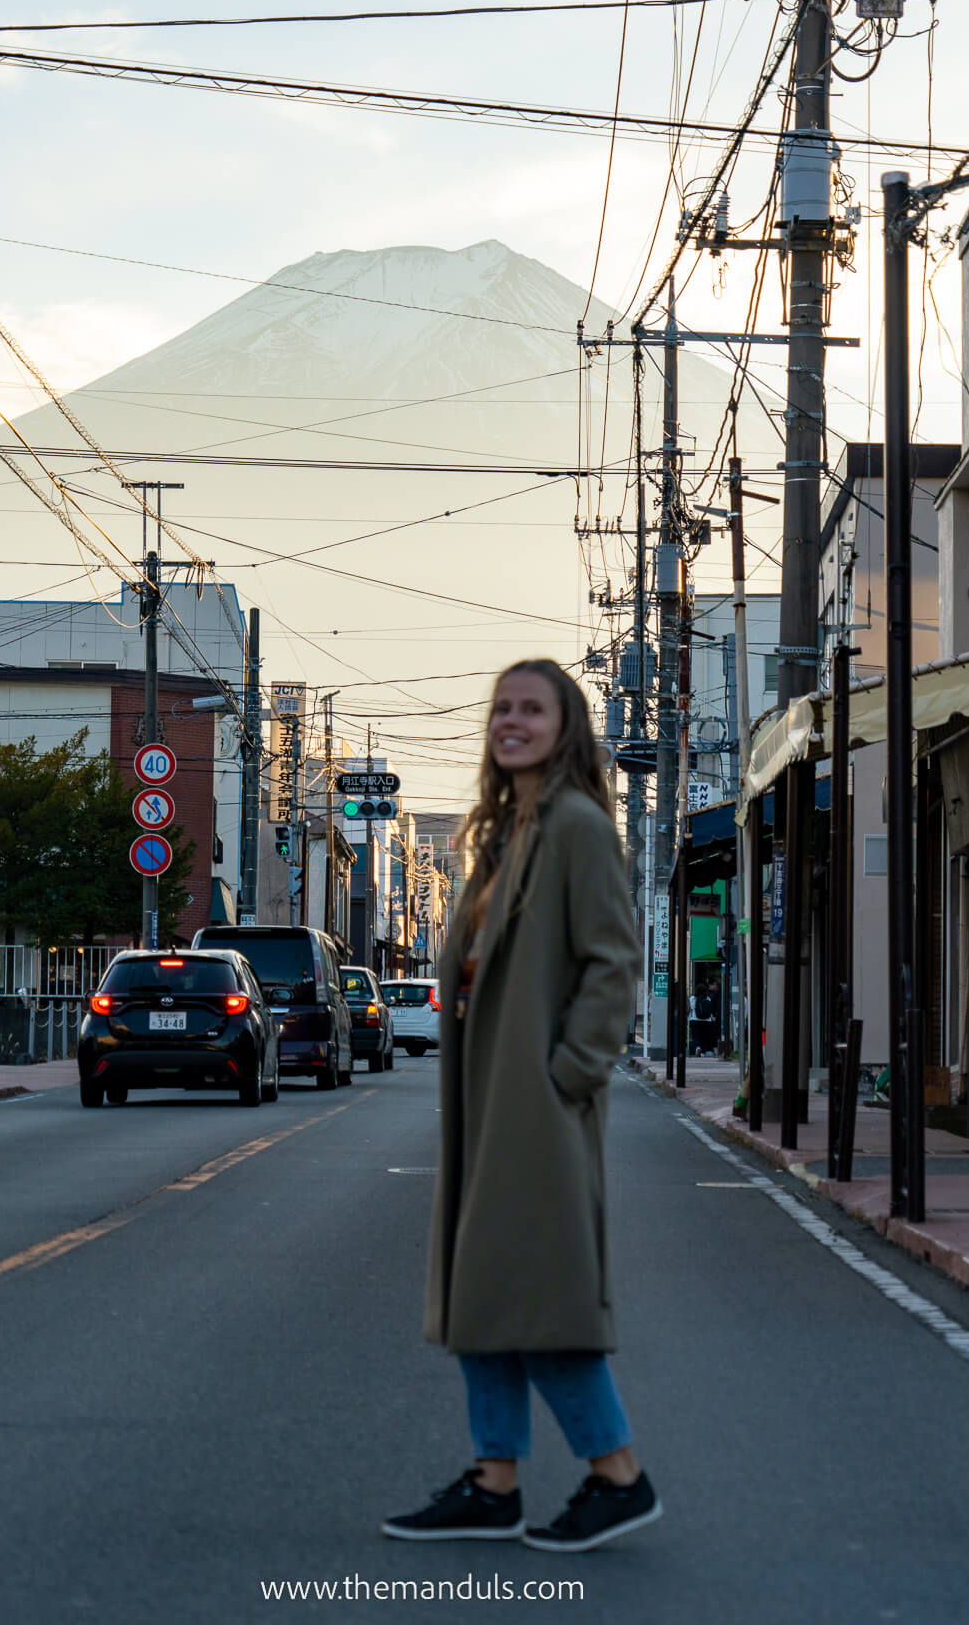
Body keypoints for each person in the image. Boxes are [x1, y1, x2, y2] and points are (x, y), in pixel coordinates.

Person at [382, 660, 662, 1554]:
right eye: (502, 708)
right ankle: (494, 1481)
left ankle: (617, 1476)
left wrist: (567, 1075)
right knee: (484, 1292)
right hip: (486, 1100)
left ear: (565, 726)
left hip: (533, 1104)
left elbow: (613, 962)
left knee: (542, 1294)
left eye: (530, 709)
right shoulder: (505, 835)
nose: (511, 721)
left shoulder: (576, 827)